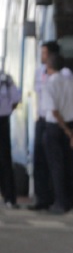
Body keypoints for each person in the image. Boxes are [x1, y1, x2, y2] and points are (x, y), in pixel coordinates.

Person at [42, 52, 73, 214]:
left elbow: (54, 112)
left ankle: (61, 202)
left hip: (56, 128)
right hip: (72, 126)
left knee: (57, 167)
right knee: (70, 166)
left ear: (48, 66)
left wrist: (66, 130)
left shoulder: (49, 85)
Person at [28, 40, 60, 211]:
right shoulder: (39, 72)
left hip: (54, 120)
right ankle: (41, 199)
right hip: (41, 119)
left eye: (44, 53)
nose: (42, 56)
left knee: (53, 161)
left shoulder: (61, 75)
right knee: (38, 160)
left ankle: (55, 198)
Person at [0, 67, 20, 208]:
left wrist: (6, 111)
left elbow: (16, 99)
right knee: (4, 160)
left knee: (4, 160)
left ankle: (9, 197)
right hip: (3, 120)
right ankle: (9, 198)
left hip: (2, 120)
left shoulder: (5, 79)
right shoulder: (6, 78)